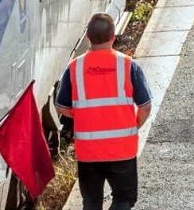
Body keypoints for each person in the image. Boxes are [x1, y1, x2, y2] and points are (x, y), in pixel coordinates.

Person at [55, 13, 153, 210]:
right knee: (123, 199)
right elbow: (145, 106)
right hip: (122, 149)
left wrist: (86, 115)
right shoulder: (128, 65)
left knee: (91, 203)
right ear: (113, 37)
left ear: (88, 37)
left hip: (89, 152)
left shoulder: (74, 68)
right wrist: (132, 126)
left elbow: (61, 106)